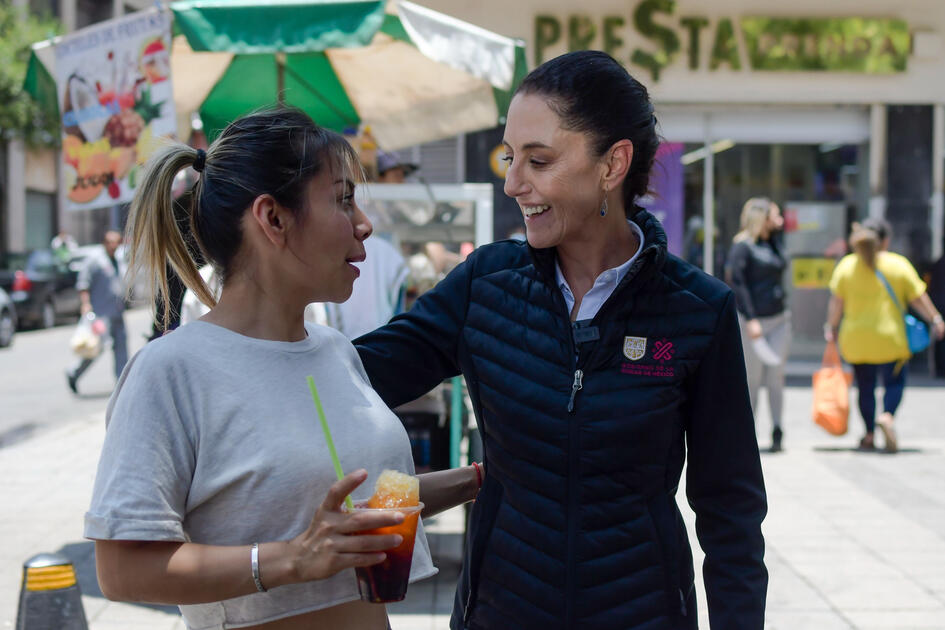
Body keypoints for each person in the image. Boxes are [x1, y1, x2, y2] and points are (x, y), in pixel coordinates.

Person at [354, 51, 767, 630]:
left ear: (613, 163)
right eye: (509, 157)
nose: (512, 183)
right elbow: (356, 377)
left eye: (538, 160)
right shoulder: (484, 285)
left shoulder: (698, 310)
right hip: (499, 613)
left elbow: (732, 512)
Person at [84, 107, 481, 630]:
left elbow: (367, 510)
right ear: (272, 218)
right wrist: (289, 559)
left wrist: (484, 480)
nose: (364, 224)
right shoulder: (171, 372)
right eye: (342, 200)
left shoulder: (337, 351)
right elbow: (121, 570)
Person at [825, 218, 945, 452]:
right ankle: (888, 415)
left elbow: (836, 303)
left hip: (857, 340)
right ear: (885, 241)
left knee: (865, 387)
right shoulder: (898, 265)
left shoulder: (847, 266)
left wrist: (831, 328)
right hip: (890, 339)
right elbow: (918, 298)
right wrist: (936, 319)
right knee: (894, 382)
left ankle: (869, 434)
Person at [726, 197, 790, 452]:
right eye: (775, 215)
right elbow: (738, 284)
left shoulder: (775, 243)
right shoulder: (742, 247)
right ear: (761, 217)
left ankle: (777, 428)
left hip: (779, 319)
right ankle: (747, 431)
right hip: (753, 321)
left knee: (776, 376)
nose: (780, 220)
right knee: (751, 378)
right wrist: (750, 319)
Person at [66, 229, 128, 394]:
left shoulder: (119, 259)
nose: (114, 245)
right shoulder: (94, 260)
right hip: (101, 313)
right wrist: (85, 305)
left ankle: (121, 385)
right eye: (111, 242)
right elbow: (83, 284)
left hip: (117, 311)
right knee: (95, 347)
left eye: (117, 242)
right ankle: (74, 372)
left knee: (121, 347)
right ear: (105, 243)